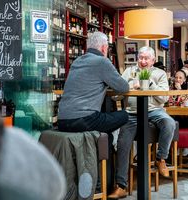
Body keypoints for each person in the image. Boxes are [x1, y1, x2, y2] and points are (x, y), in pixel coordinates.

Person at [108, 46, 176, 199]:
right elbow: (115, 96)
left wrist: (148, 83)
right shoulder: (128, 72)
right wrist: (129, 86)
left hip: (154, 111)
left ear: (153, 60)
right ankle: (121, 186)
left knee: (169, 123)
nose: (143, 61)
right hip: (132, 113)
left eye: (146, 58)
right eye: (141, 57)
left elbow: (164, 98)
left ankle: (161, 159)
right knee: (123, 143)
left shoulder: (159, 74)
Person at [57, 31, 129, 133]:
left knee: (106, 129)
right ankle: (106, 145)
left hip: (62, 121)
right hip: (84, 120)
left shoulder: (77, 61)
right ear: (104, 48)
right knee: (124, 115)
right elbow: (123, 87)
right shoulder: (102, 61)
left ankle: (105, 143)